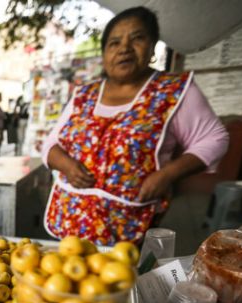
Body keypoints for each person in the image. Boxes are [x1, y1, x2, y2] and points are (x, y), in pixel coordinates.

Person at [41, 6, 229, 246]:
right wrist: (66, 165)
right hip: (71, 218)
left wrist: (167, 175)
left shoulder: (171, 92)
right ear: (104, 53)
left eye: (137, 38)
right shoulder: (84, 95)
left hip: (129, 224)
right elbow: (51, 144)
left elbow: (215, 139)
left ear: (152, 47)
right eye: (114, 43)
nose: (124, 49)